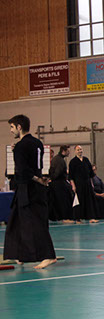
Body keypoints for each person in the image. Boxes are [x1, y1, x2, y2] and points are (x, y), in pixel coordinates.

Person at [4, 114, 57, 269]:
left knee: (36, 223)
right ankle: (20, 255)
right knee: (17, 222)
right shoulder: (37, 143)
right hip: (33, 189)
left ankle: (49, 256)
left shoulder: (21, 146)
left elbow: (24, 170)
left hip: (29, 189)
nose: (11, 130)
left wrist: (37, 179)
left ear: (19, 127)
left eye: (12, 127)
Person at [69, 145, 99, 223]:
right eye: (78, 150)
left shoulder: (86, 160)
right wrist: (73, 186)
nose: (80, 151)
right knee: (79, 201)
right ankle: (78, 219)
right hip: (78, 184)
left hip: (87, 183)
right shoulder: (72, 162)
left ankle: (91, 218)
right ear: (75, 151)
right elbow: (71, 176)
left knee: (89, 200)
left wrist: (91, 183)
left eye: (81, 149)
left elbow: (90, 174)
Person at [48, 145, 74, 222]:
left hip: (55, 183)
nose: (69, 153)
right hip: (59, 183)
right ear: (64, 151)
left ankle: (59, 217)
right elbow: (57, 173)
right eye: (68, 151)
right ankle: (65, 218)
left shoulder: (56, 159)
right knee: (63, 201)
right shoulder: (60, 161)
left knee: (57, 201)